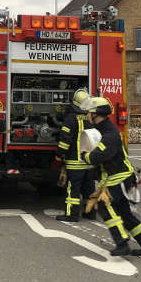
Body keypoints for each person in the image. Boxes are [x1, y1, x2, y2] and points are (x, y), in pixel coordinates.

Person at [81, 96, 141, 257]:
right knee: (125, 215)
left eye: (89, 112)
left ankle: (122, 242)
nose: (87, 115)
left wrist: (84, 156)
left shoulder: (109, 134)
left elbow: (97, 156)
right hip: (118, 178)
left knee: (104, 206)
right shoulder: (102, 130)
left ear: (97, 114)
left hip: (120, 179)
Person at [55, 88, 96, 222]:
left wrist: (59, 154)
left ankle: (71, 215)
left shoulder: (71, 118)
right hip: (89, 161)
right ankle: (90, 212)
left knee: (73, 189)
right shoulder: (91, 117)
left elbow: (65, 140)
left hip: (74, 161)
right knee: (89, 188)